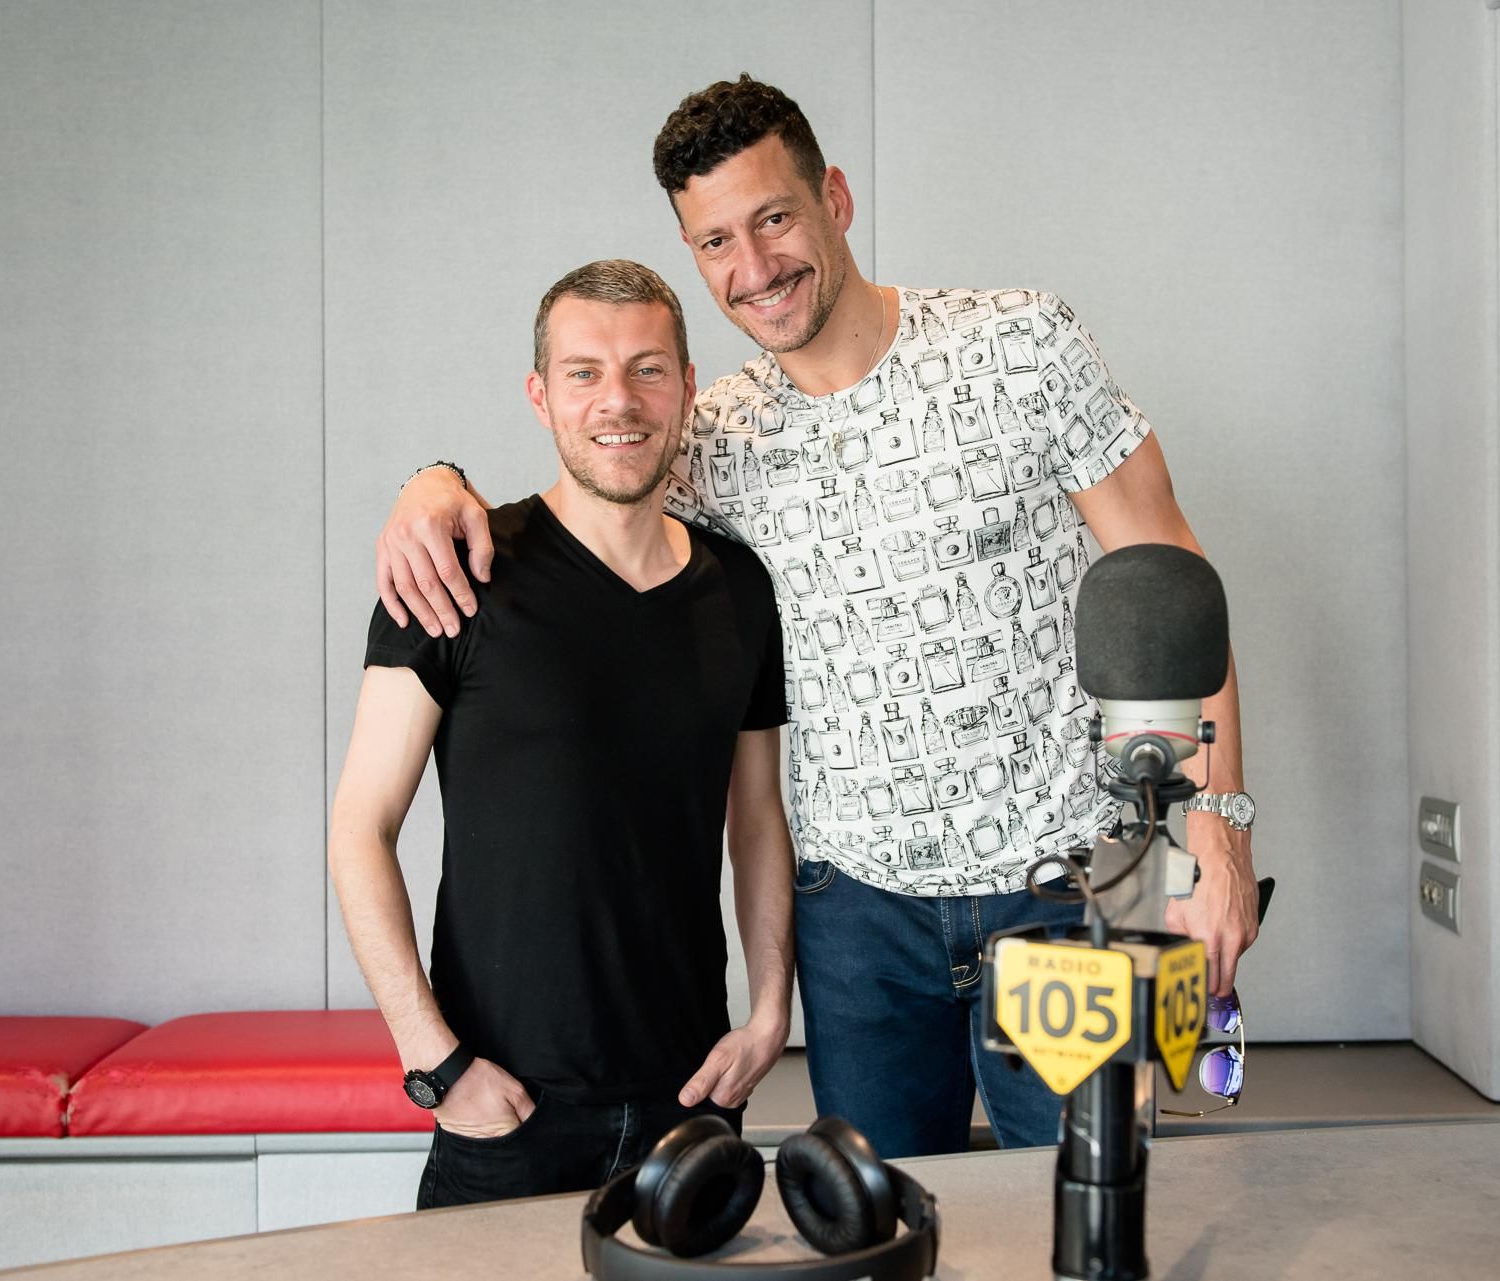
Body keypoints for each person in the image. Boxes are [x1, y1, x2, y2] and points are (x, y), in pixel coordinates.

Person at [373, 77, 1260, 1158]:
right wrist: (431, 482)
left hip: (1070, 886)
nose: (752, 266)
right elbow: (583, 485)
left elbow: (1171, 581)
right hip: (858, 919)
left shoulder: (1022, 345)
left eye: (774, 218)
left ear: (834, 198)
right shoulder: (712, 434)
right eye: (716, 241)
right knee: (881, 1223)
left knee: (1092, 1206)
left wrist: (1217, 835)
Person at [328, 259, 793, 1209]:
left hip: (690, 1100)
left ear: (687, 386)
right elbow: (358, 829)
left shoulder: (741, 590)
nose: (618, 400)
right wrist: (434, 1060)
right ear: (541, 395)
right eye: (585, 372)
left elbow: (756, 822)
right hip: (508, 1107)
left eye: (647, 369)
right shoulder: (454, 572)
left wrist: (769, 1014)